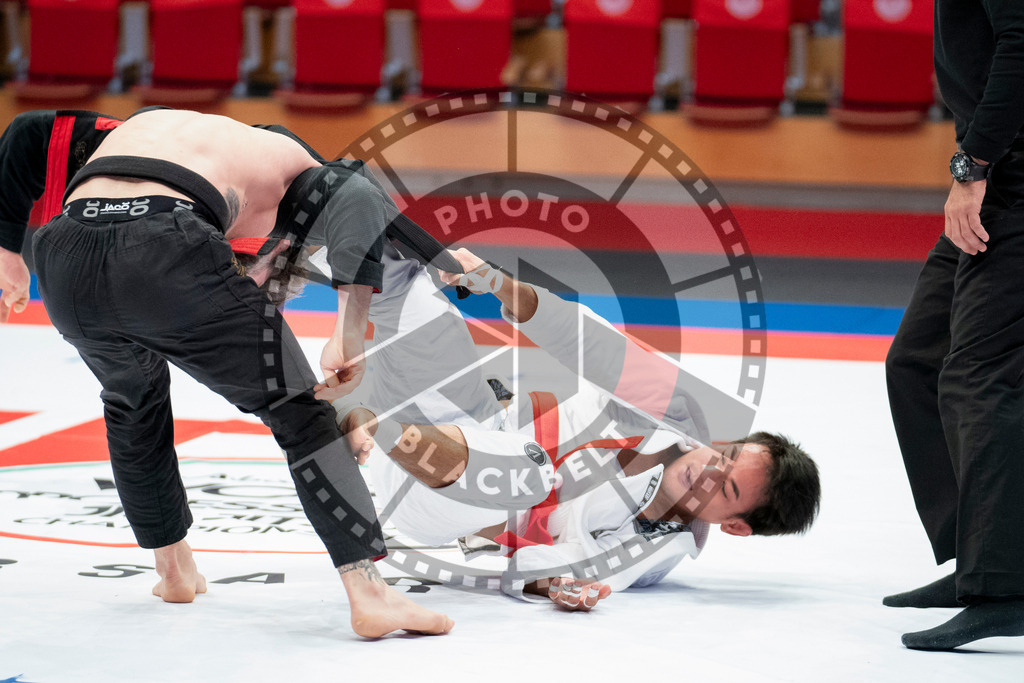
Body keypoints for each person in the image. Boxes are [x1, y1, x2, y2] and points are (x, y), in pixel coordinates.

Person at [0, 108, 455, 637]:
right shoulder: (290, 167)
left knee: (132, 401)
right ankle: (370, 595)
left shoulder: (133, 132)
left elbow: (28, 132)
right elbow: (355, 191)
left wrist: (8, 250)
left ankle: (173, 571)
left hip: (63, 253)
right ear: (273, 250)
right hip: (164, 241)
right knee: (300, 414)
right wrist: (349, 329)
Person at [332, 248, 820, 611]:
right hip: (471, 412)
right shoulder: (674, 408)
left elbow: (535, 568)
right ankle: (298, 220)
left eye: (727, 487)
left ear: (735, 525)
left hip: (439, 502)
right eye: (727, 455)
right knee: (399, 280)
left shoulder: (652, 552)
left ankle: (367, 420)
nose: (709, 468)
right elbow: (588, 342)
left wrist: (557, 585)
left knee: (529, 473)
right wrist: (499, 284)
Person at [884, 1, 1024, 651]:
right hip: (995, 172)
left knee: (978, 374)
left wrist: (973, 165)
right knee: (918, 359)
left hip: (1008, 178)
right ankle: (976, 557)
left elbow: (1021, 47)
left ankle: (1004, 585)